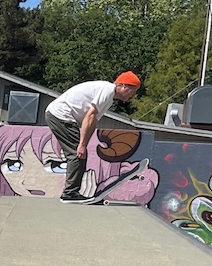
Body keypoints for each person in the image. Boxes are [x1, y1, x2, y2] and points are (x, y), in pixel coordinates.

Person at [44, 72, 142, 203]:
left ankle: (72, 192)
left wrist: (84, 144)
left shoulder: (109, 97)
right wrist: (82, 145)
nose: (133, 96)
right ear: (124, 86)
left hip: (61, 116)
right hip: (60, 115)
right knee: (76, 154)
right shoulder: (107, 90)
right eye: (133, 91)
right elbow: (89, 117)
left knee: (80, 154)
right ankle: (69, 194)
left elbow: (92, 122)